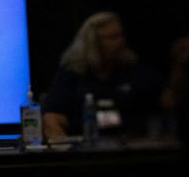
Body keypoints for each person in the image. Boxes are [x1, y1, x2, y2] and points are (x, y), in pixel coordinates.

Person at [42, 11, 164, 140]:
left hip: (131, 147)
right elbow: (51, 117)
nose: (121, 42)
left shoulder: (134, 70)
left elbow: (167, 101)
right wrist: (66, 151)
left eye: (121, 36)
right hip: (86, 148)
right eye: (112, 38)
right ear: (93, 43)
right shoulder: (72, 73)